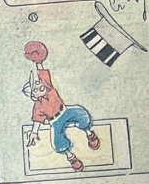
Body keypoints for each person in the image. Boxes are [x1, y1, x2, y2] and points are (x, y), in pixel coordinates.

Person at [21, 40, 100, 170]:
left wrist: (38, 61)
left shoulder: (48, 88)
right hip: (55, 122)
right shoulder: (38, 106)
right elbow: (37, 121)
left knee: (82, 113)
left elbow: (41, 73)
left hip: (66, 112)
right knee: (58, 144)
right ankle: (71, 157)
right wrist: (34, 133)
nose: (39, 86)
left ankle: (89, 134)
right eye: (35, 89)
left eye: (37, 84)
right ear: (34, 96)